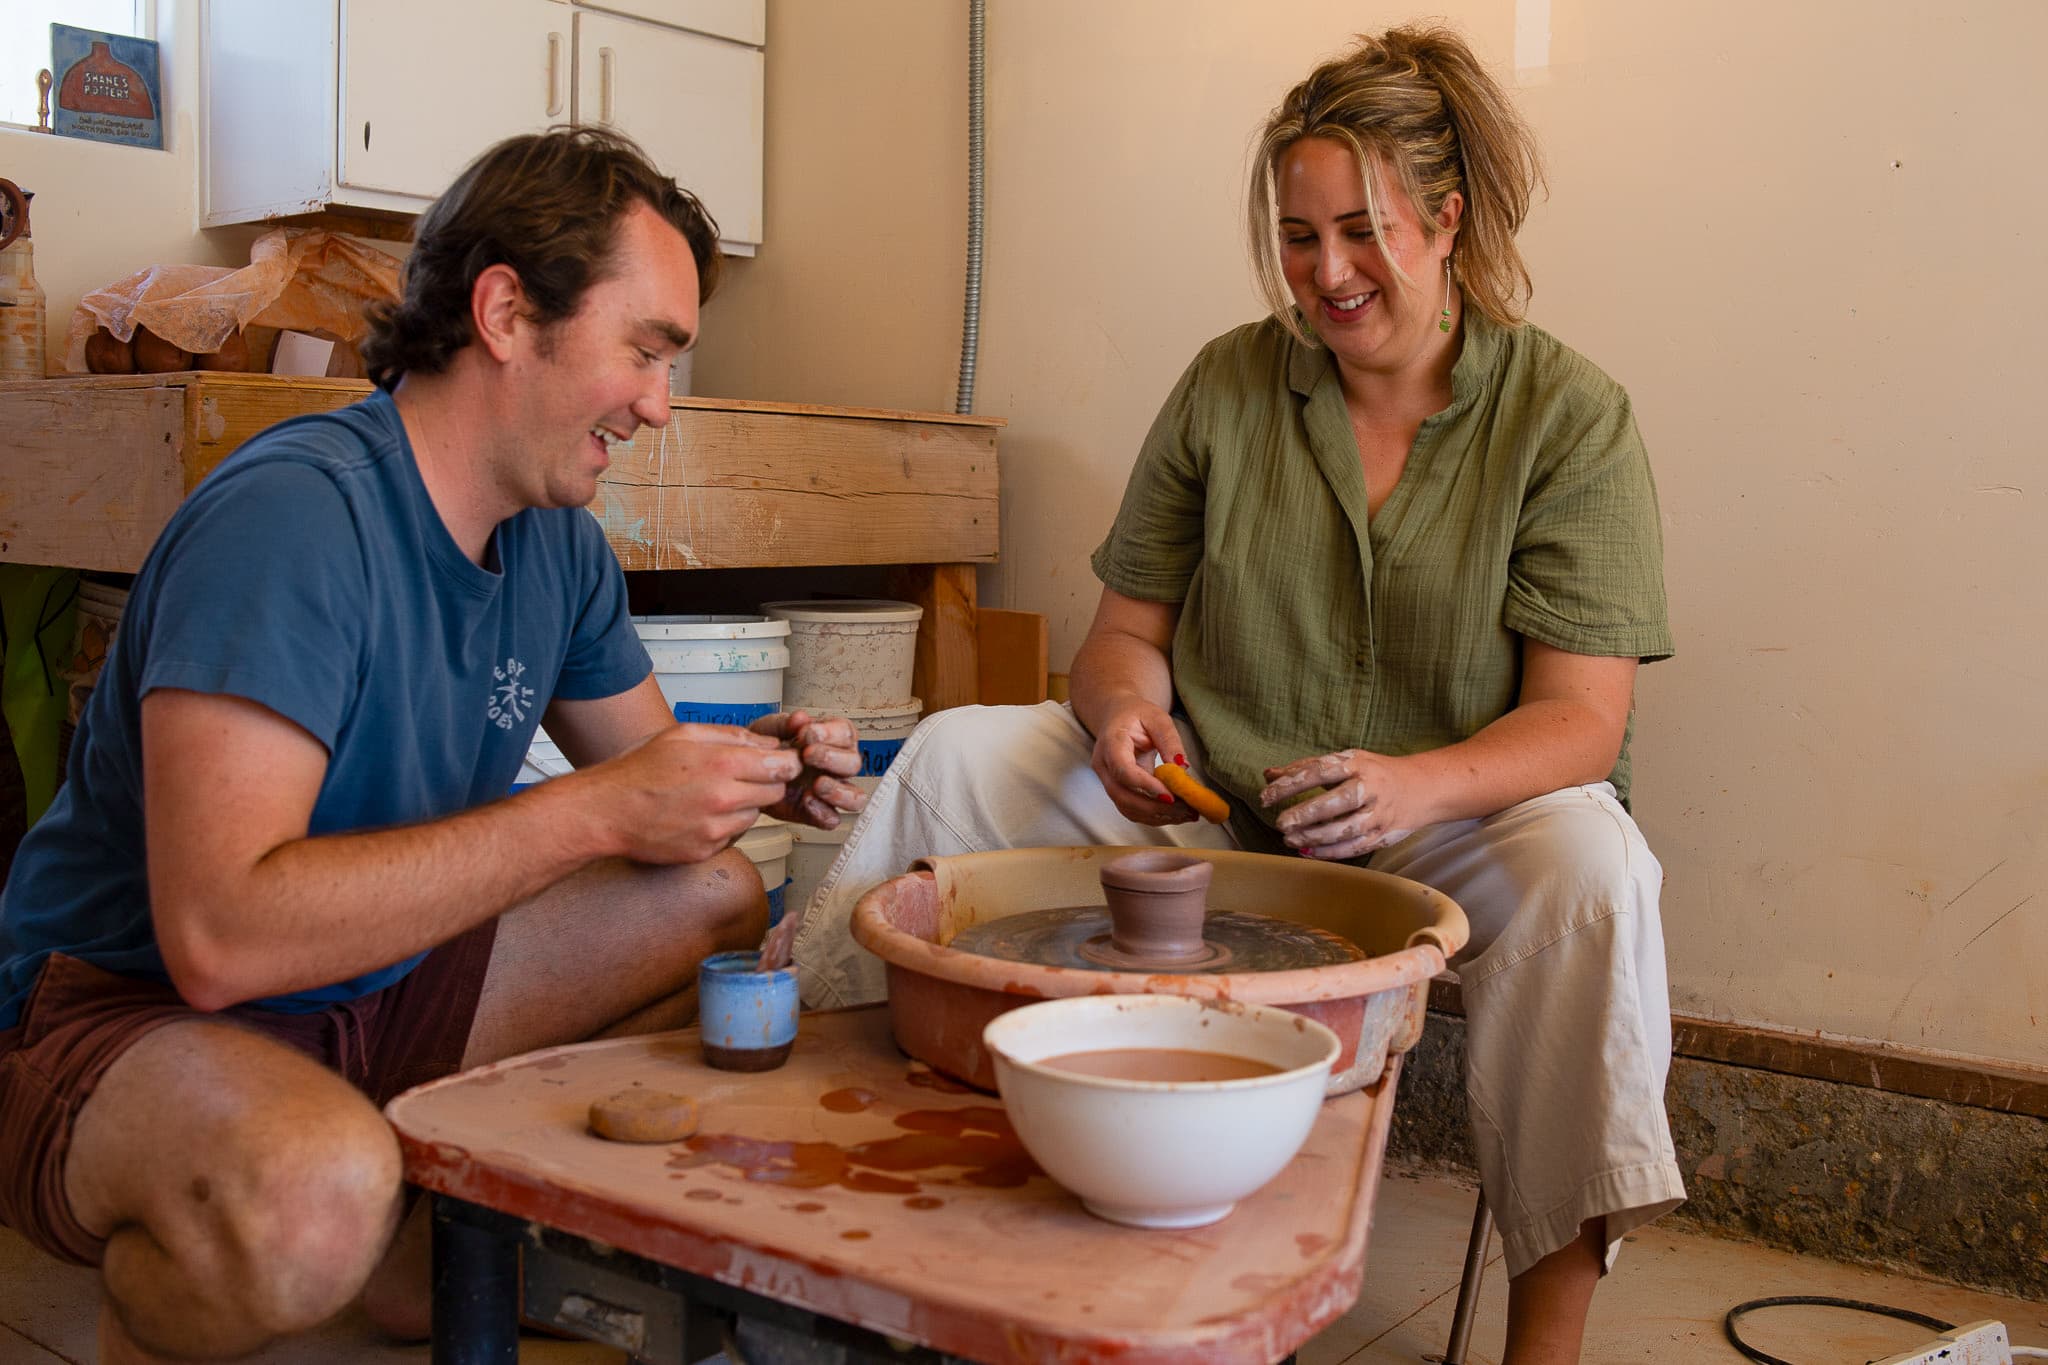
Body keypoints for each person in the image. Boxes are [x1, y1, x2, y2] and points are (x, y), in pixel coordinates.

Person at [790, 26, 1682, 1365]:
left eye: (1361, 233)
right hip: (1218, 811)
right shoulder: (1227, 383)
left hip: (1447, 830)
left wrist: (1411, 784)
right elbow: (1120, 641)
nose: (1326, 273)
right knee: (961, 753)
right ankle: (821, 1192)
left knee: (1597, 872)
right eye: (1298, 235)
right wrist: (1120, 718)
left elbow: (1580, 723)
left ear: (1446, 222)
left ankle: (1542, 1344)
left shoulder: (1570, 418)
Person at [0, 127, 865, 1363]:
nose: (658, 404)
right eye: (645, 351)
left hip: (373, 982)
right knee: (306, 1199)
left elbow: (656, 801)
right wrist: (598, 811)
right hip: (125, 1015)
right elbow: (220, 939)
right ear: (507, 312)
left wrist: (766, 764)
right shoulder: (295, 521)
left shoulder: (554, 540)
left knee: (707, 893)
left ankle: (425, 1263)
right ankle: (219, 1270)